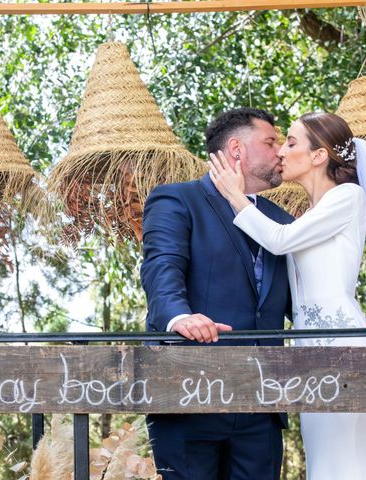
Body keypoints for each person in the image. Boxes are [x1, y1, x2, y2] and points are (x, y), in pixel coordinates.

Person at [207, 111, 366, 479]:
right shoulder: (311, 213)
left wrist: (236, 196)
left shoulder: (348, 196)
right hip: (313, 350)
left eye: (291, 142)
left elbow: (280, 242)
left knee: (349, 461)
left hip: (343, 347)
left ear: (318, 156)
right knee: (326, 460)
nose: (281, 150)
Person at [140, 108, 293, 480]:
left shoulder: (282, 221)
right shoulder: (177, 200)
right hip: (189, 393)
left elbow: (298, 300)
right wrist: (180, 317)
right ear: (236, 149)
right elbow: (162, 267)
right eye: (271, 142)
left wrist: (351, 322)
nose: (281, 152)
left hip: (262, 400)